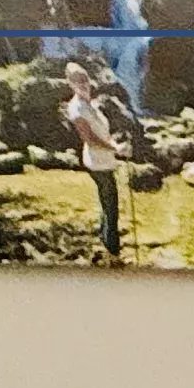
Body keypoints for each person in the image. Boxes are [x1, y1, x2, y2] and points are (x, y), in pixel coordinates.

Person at [57, 58, 128, 265]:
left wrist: (116, 145)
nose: (83, 84)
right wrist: (116, 149)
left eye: (85, 80)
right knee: (111, 207)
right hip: (98, 163)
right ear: (70, 84)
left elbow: (102, 132)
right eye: (78, 81)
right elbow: (90, 139)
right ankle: (113, 253)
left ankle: (104, 240)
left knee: (106, 203)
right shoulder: (77, 109)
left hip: (104, 159)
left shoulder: (90, 103)